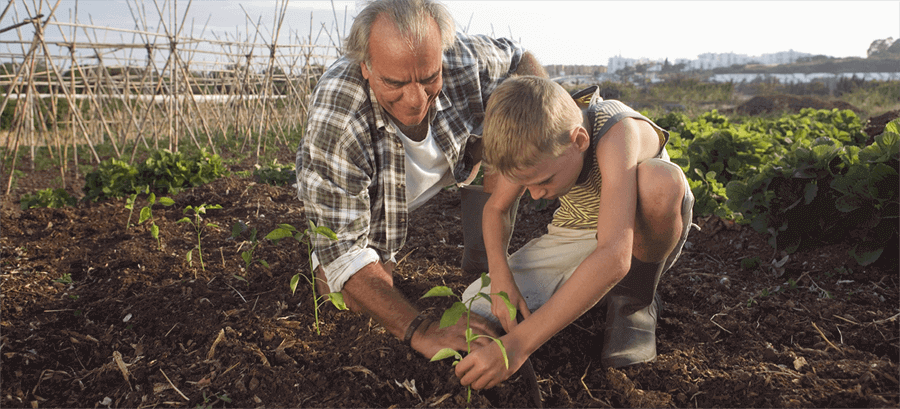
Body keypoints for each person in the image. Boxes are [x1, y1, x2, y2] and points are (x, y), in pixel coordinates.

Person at [295, 0, 548, 359]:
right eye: (395, 83)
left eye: (429, 78)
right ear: (366, 67)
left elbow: (519, 59)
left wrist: (541, 127)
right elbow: (344, 254)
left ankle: (482, 260)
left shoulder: (461, 58)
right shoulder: (339, 116)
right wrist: (422, 329)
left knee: (512, 115)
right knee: (343, 296)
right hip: (372, 194)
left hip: (457, 155)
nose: (416, 100)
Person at [453, 76, 696, 390]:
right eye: (527, 185)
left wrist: (518, 346)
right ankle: (591, 294)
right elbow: (495, 209)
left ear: (579, 140)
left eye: (543, 181)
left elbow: (613, 255)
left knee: (659, 182)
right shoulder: (532, 141)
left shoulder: (615, 132)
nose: (536, 195)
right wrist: (500, 278)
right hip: (576, 233)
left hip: (635, 234)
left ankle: (635, 302)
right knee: (478, 305)